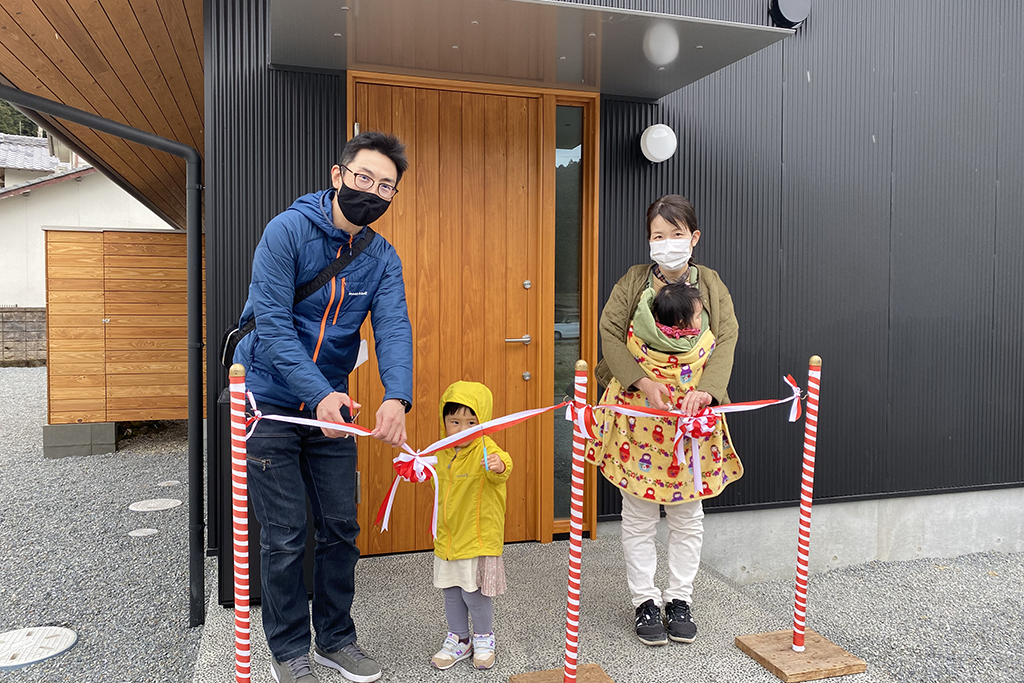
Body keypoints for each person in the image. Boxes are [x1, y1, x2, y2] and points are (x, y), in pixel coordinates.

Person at [234, 131, 413, 683]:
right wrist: (319, 394)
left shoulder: (381, 257)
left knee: (341, 528)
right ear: (337, 176)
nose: (374, 192)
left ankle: (336, 638)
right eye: (365, 179)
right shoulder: (286, 231)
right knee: (285, 534)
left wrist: (396, 396)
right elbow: (272, 325)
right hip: (270, 400)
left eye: (387, 186)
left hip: (332, 403)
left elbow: (393, 326)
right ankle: (289, 651)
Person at [589, 194, 739, 648]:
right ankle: (644, 600)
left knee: (687, 515)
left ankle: (679, 598)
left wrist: (707, 389)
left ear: (693, 238)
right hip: (638, 417)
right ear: (648, 240)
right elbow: (609, 332)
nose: (667, 243)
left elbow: (727, 336)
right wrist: (638, 380)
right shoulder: (634, 281)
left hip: (691, 421)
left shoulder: (710, 284)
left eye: (676, 235)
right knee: (636, 515)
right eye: (658, 235)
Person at [428, 381, 512, 672]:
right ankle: (459, 639)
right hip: (448, 540)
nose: (462, 429)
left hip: (476, 539)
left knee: (473, 594)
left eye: (471, 422)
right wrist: (415, 469)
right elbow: (432, 477)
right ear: (444, 422)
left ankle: (484, 637)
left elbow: (503, 466)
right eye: (454, 422)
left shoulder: (486, 449)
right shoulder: (441, 451)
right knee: (450, 592)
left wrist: (499, 465)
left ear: (483, 421)